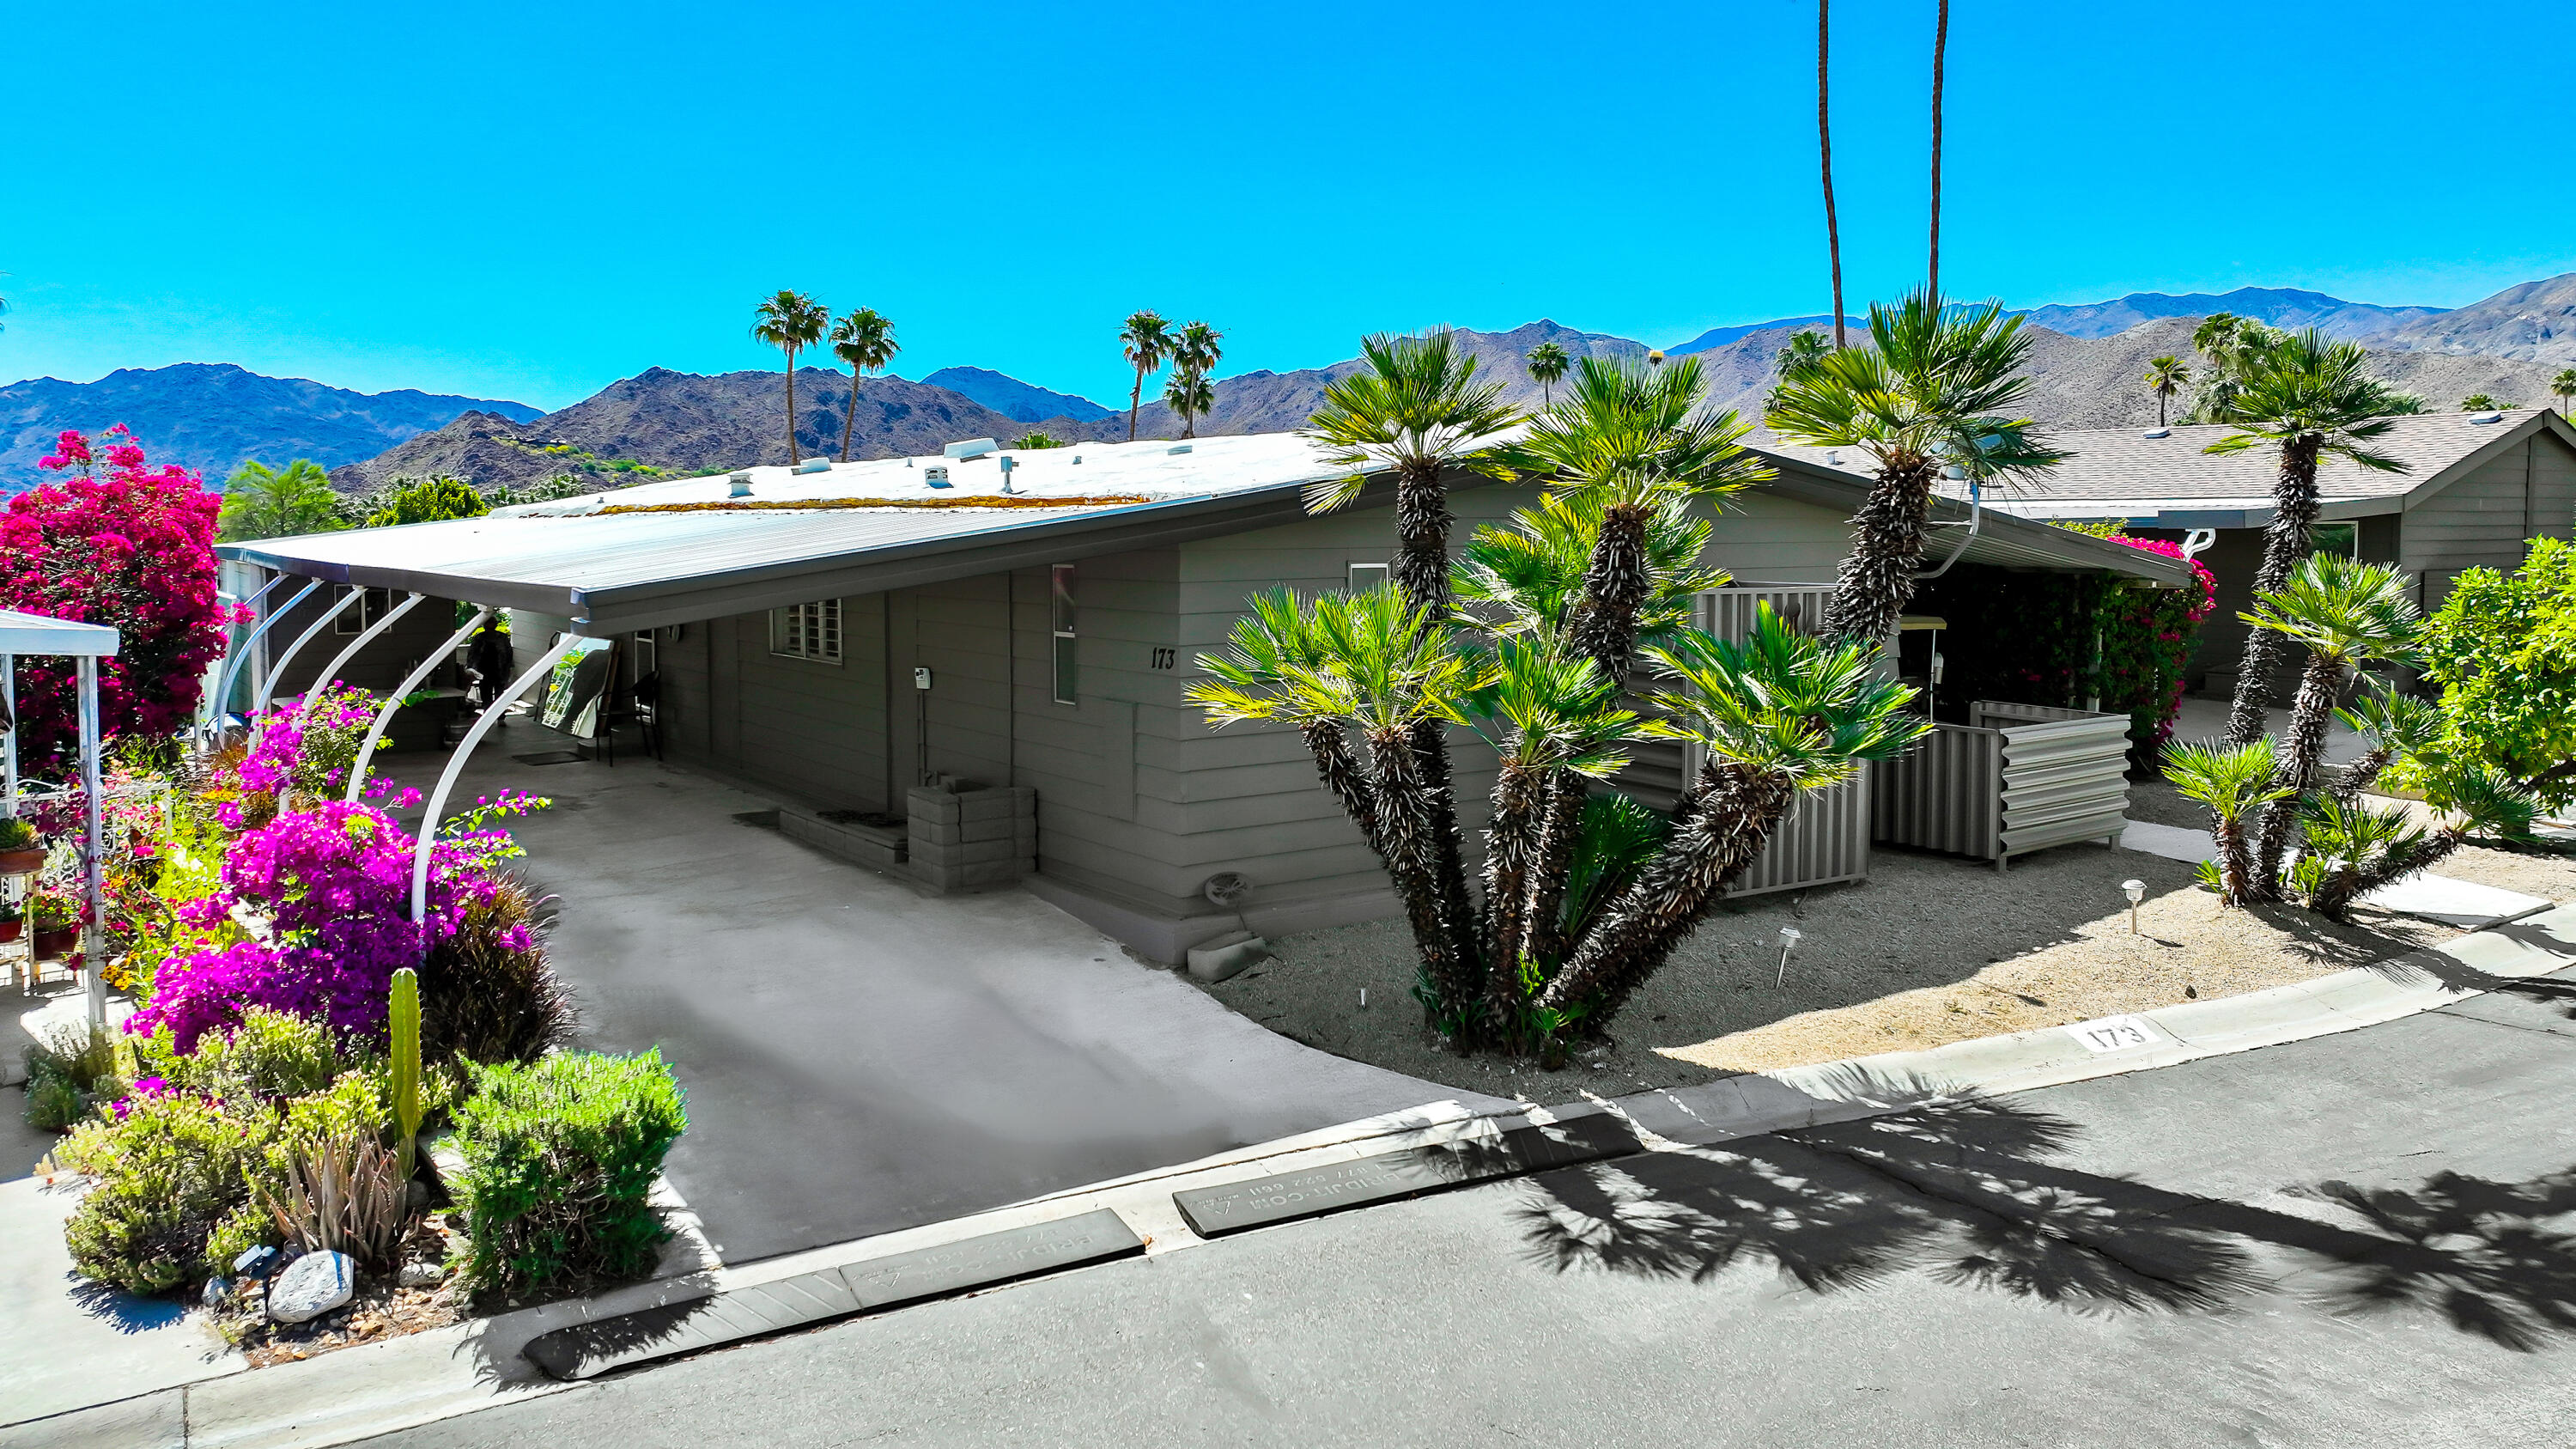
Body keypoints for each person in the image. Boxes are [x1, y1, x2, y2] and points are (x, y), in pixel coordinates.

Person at [465, 619, 513, 711]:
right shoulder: (479, 638)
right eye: (488, 624)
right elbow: (472, 654)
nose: (490, 626)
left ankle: (500, 717)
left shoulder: (502, 637)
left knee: (499, 695)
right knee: (485, 694)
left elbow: (509, 654)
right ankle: (487, 714)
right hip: (483, 671)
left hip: (500, 670)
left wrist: (509, 668)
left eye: (492, 624)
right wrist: (471, 669)